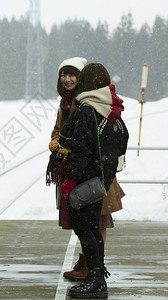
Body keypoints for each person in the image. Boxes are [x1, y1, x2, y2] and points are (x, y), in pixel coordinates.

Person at [47, 58, 126, 281]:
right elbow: (59, 130)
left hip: (90, 171)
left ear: (82, 79)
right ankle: (90, 266)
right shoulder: (66, 103)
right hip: (77, 168)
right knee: (86, 223)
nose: (67, 79)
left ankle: (91, 268)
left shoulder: (89, 104)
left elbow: (91, 139)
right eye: (64, 74)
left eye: (73, 75)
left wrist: (69, 146)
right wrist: (56, 141)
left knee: (96, 221)